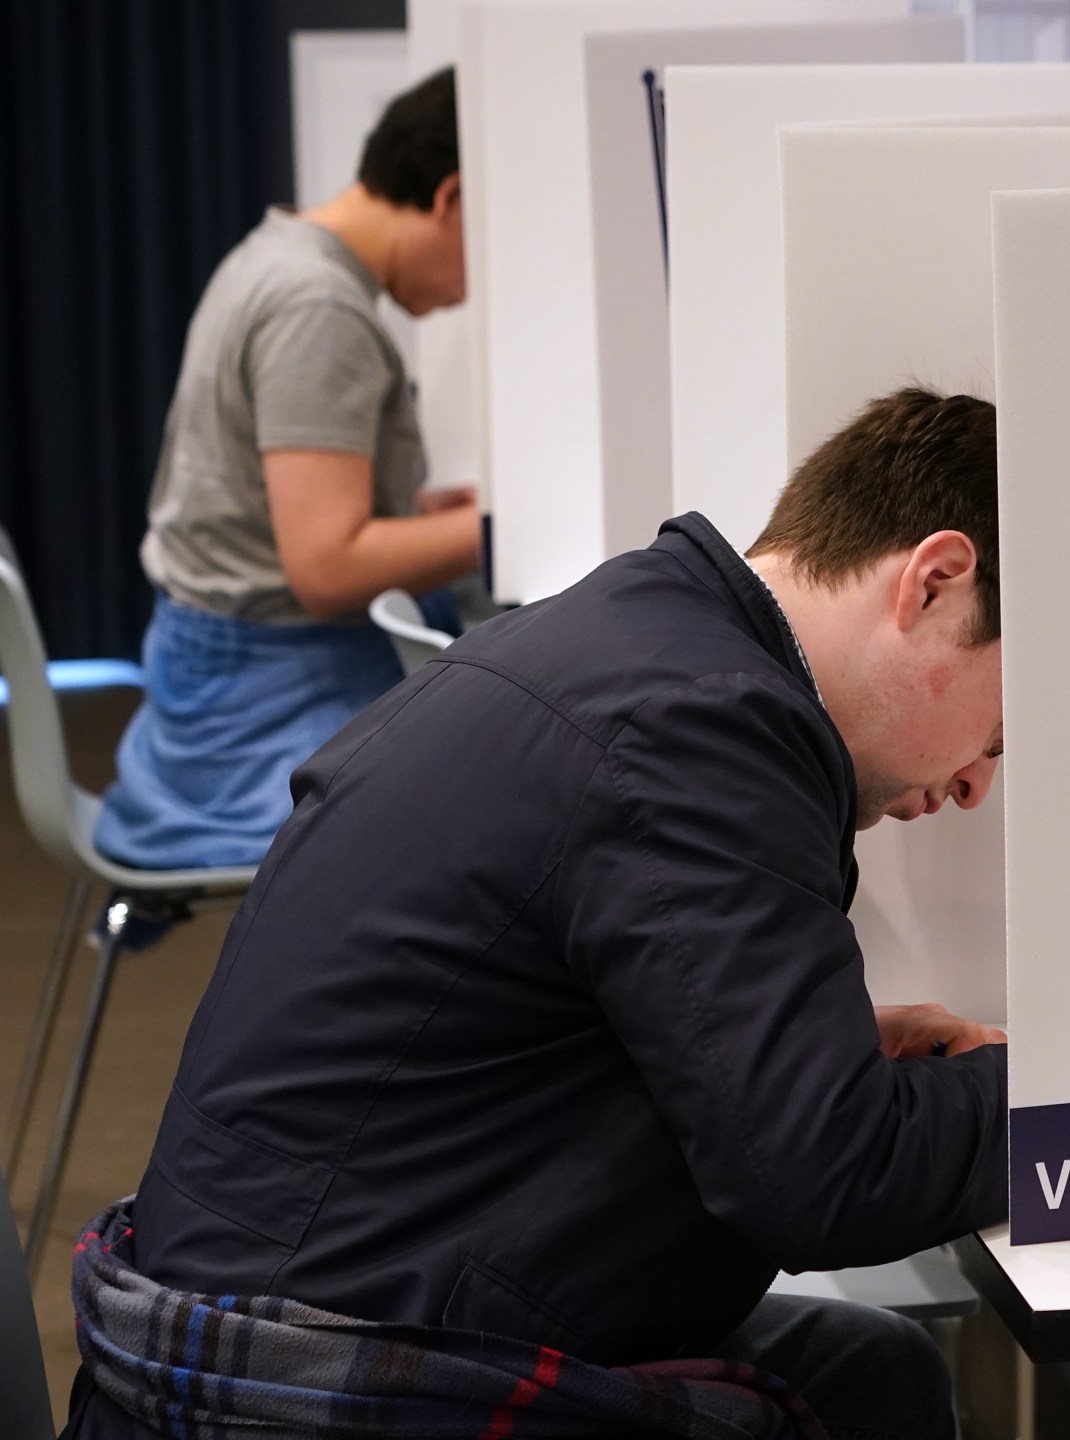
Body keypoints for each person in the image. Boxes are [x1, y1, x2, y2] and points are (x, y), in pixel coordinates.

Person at [63, 389, 1011, 1440]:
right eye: (1000, 728)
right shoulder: (706, 730)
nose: (977, 782)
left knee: (873, 1373)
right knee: (863, 1389)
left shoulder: (639, 641)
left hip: (287, 1279)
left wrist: (820, 1058)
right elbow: (835, 1180)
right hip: (308, 1374)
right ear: (934, 580)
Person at [93, 67, 482, 872]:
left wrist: (431, 514)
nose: (474, 289)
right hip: (258, 708)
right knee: (504, 812)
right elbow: (326, 568)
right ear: (451, 197)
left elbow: (276, 514)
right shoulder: (318, 306)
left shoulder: (277, 255)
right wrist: (500, 527)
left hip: (217, 681)